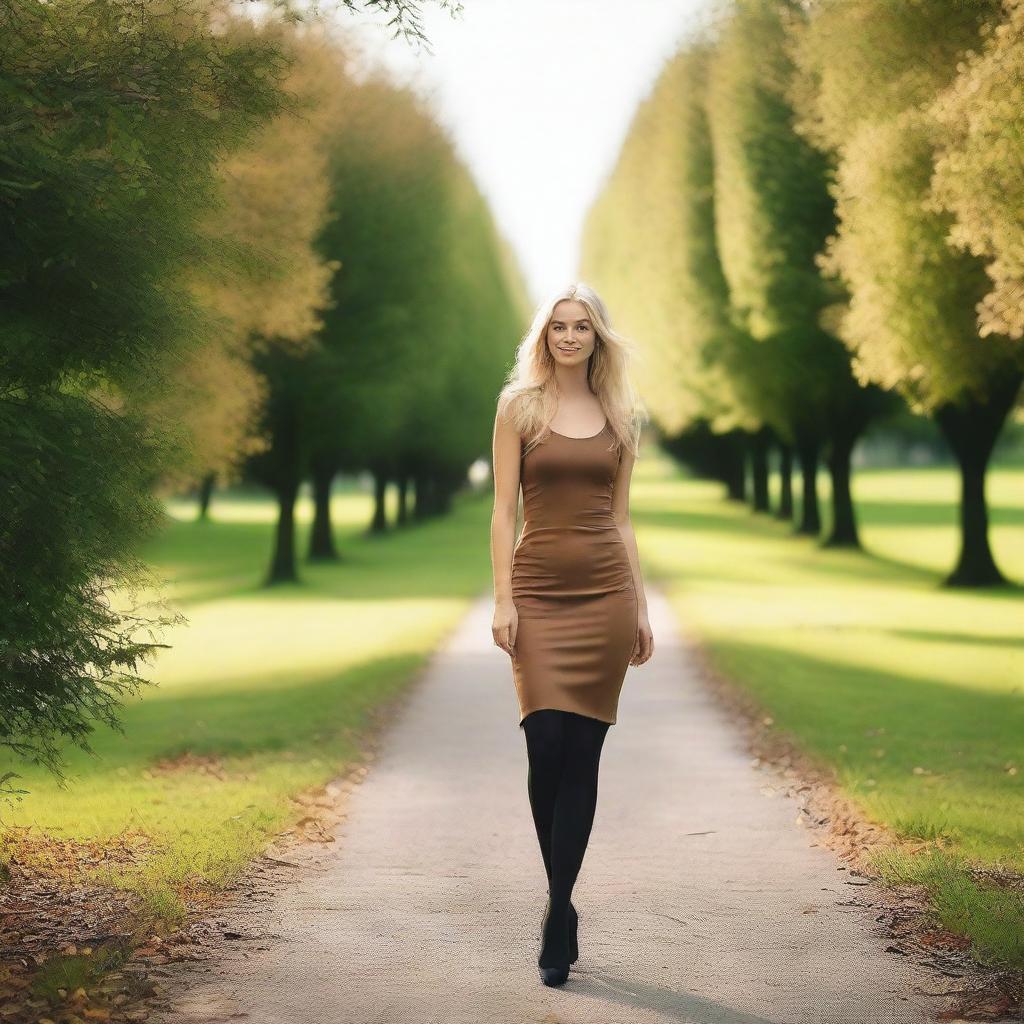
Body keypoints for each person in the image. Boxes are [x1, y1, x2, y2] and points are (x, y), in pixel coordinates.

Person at [490, 281, 654, 987]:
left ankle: (558, 911)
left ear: (597, 337)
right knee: (544, 745)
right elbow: (503, 512)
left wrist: (642, 609)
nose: (568, 336)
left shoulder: (622, 417)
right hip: (537, 594)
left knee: (581, 753)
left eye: (581, 326)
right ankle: (562, 898)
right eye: (558, 326)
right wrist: (503, 599)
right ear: (543, 335)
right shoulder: (518, 407)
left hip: (606, 596)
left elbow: (621, 519)